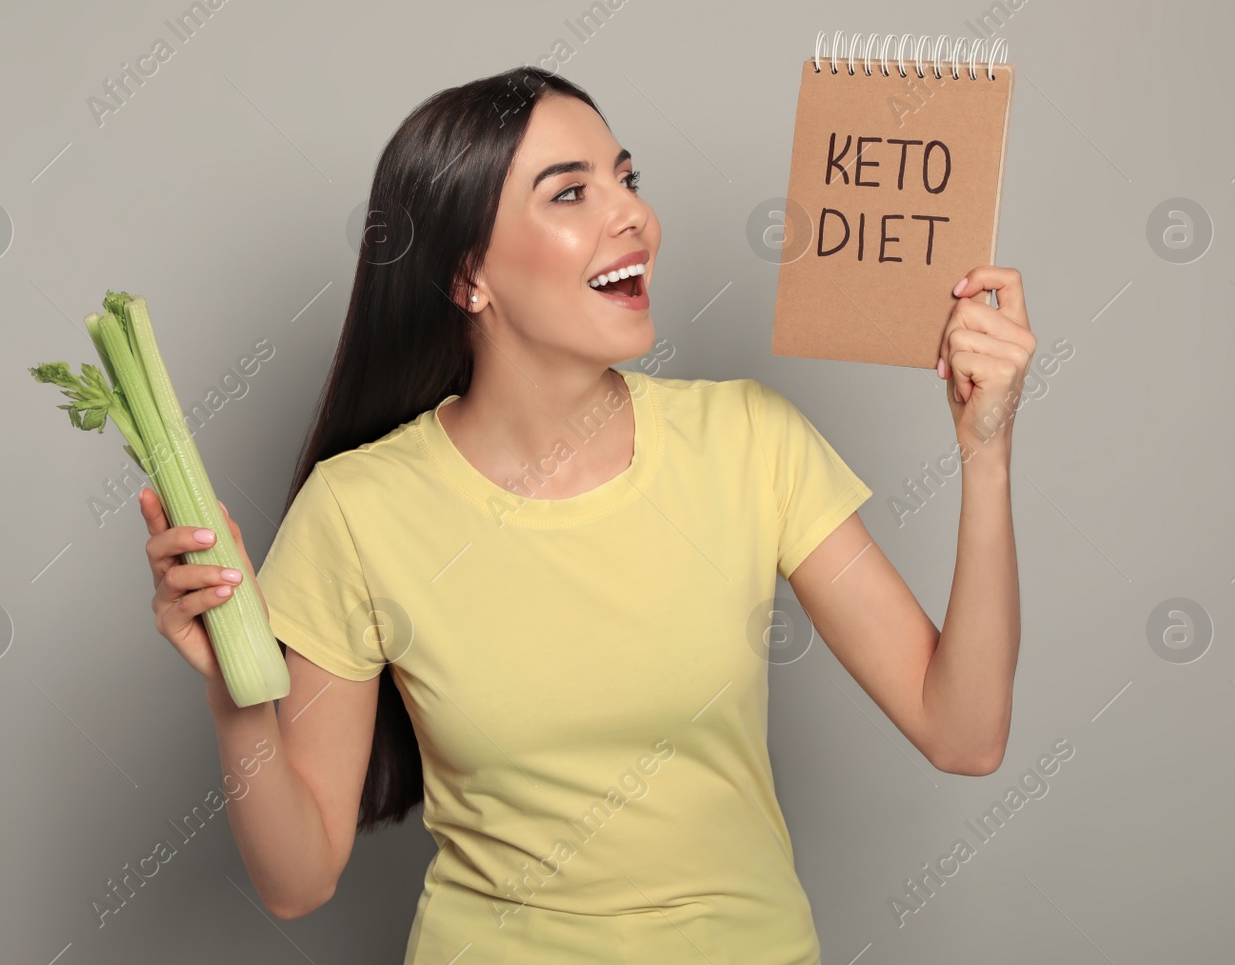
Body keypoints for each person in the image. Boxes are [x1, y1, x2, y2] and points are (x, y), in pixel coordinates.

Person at [137, 66, 1034, 963]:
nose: (632, 213)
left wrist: (985, 450)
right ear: (467, 276)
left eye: (627, 178)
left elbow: (963, 734)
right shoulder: (360, 508)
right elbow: (299, 884)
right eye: (571, 191)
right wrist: (237, 697)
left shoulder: (749, 441)